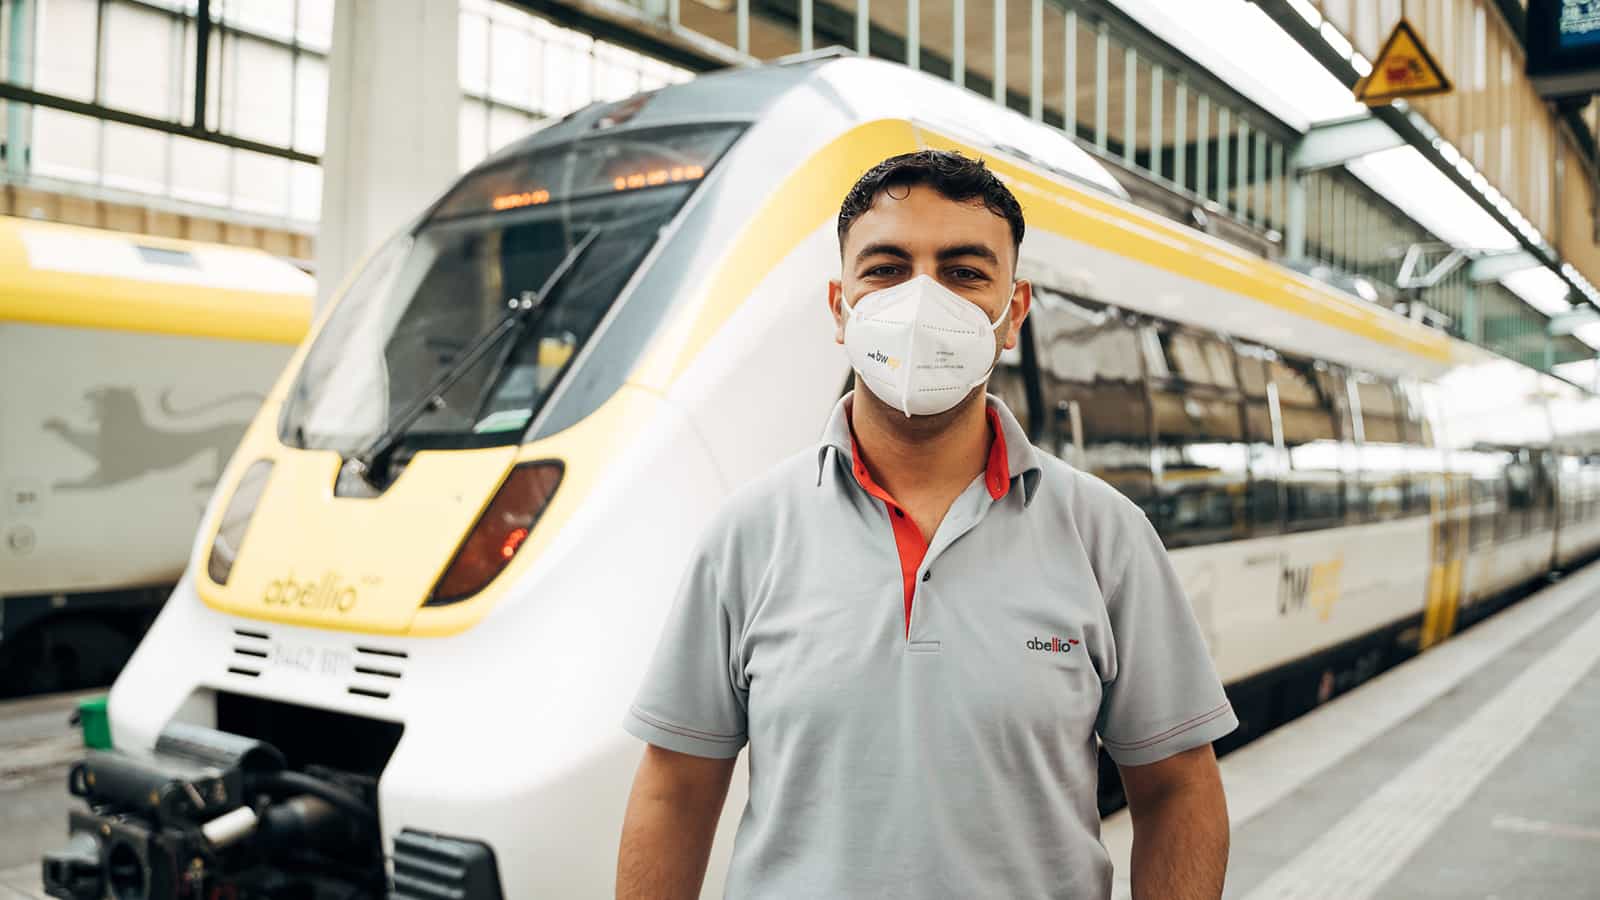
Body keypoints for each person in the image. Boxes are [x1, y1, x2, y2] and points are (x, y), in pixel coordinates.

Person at [616, 149, 1236, 900]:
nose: (921, 301)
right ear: (841, 308)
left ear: (1014, 313)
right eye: (885, 268)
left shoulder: (1107, 537)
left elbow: (1179, 788)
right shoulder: (748, 535)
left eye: (964, 271)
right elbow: (674, 789)